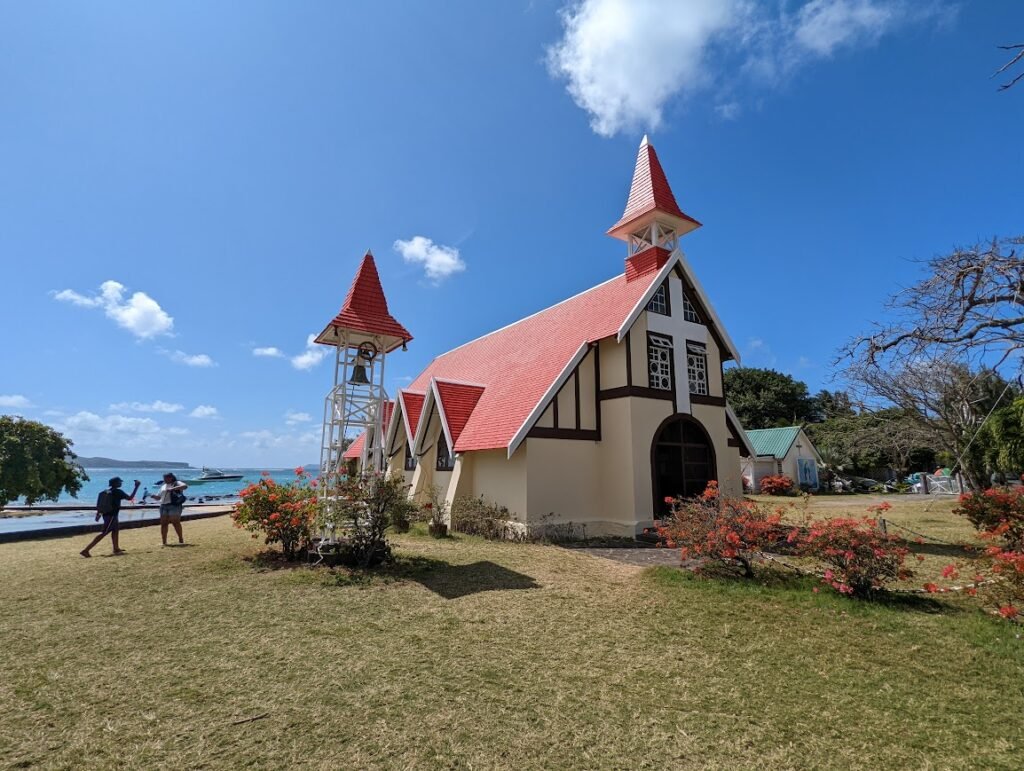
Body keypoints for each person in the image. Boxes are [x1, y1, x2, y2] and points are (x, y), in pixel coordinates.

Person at [80, 477, 140, 557]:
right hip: (112, 515)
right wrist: (136, 487)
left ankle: (116, 548)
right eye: (119, 482)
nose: (121, 483)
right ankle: (86, 550)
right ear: (115, 483)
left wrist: (99, 514)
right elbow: (130, 498)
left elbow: (101, 503)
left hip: (107, 515)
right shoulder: (118, 491)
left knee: (115, 531)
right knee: (104, 532)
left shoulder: (106, 491)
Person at [150, 472, 188, 546]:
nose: (164, 479)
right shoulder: (163, 486)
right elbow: (159, 497)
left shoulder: (177, 483)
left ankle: (180, 538)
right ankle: (164, 542)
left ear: (171, 477)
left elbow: (185, 486)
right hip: (163, 506)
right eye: (164, 478)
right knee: (163, 524)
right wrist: (153, 496)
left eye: (166, 478)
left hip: (174, 505)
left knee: (175, 522)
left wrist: (173, 488)